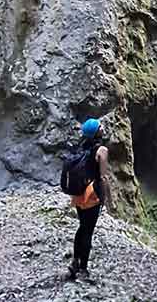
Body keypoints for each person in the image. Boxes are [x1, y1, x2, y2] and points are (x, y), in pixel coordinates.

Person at [67, 118, 110, 281]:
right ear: (96, 132)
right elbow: (103, 176)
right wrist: (105, 198)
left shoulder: (80, 147)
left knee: (82, 226)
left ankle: (75, 263)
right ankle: (83, 270)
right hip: (92, 194)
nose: (103, 127)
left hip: (78, 193)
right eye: (101, 126)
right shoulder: (102, 150)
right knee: (88, 231)